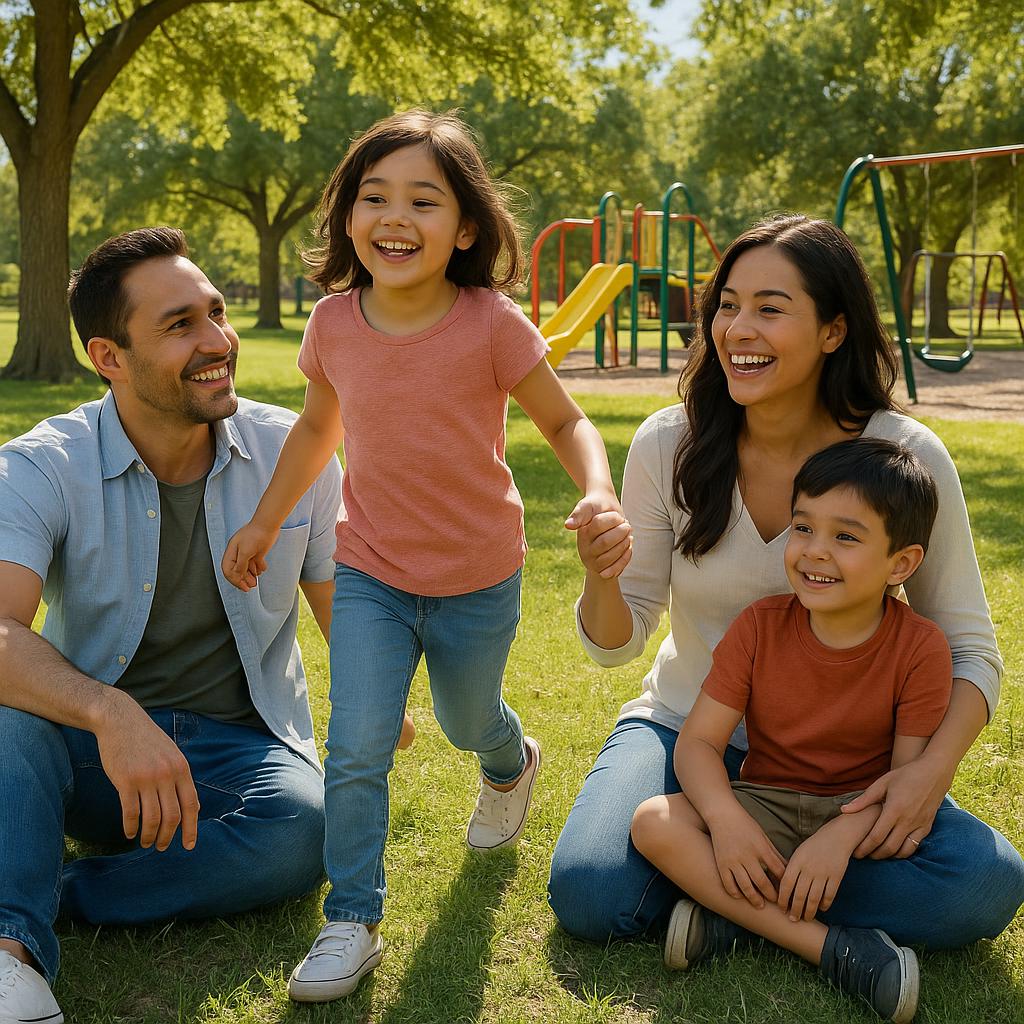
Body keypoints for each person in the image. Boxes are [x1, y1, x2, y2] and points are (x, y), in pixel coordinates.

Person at [220, 109, 630, 1004]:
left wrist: (598, 489)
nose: (394, 217)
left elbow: (566, 420)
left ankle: (508, 761)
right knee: (358, 743)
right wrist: (264, 522)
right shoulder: (334, 323)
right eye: (374, 197)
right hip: (370, 567)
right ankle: (352, 919)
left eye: (423, 200)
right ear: (349, 216)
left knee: (465, 718)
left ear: (466, 228)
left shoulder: (491, 324)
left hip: (478, 574)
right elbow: (317, 430)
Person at [548, 214, 1024, 952]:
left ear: (833, 330)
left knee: (984, 883)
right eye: (727, 306)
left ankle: (723, 905)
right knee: (590, 890)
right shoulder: (669, 443)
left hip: (846, 771)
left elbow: (970, 649)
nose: (739, 329)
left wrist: (929, 772)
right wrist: (602, 576)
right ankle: (783, 905)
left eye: (771, 309)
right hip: (688, 730)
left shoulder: (903, 456)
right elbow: (617, 643)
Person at [0, 226, 403, 1024]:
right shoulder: (43, 465)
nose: (218, 341)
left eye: (216, 312)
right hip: (91, 754)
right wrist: (110, 713)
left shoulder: (295, 453)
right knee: (10, 717)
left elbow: (347, 611)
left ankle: (62, 890)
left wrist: (390, 698)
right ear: (109, 357)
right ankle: (12, 955)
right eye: (180, 325)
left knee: (302, 828)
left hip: (237, 752)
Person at [631, 437, 951, 1023]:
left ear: (901, 564)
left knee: (979, 878)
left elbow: (904, 782)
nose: (814, 551)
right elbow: (699, 743)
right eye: (802, 528)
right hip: (766, 807)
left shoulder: (921, 648)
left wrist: (841, 837)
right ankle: (835, 951)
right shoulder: (759, 627)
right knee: (654, 822)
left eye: (846, 537)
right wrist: (726, 821)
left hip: (862, 816)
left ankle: (734, 919)